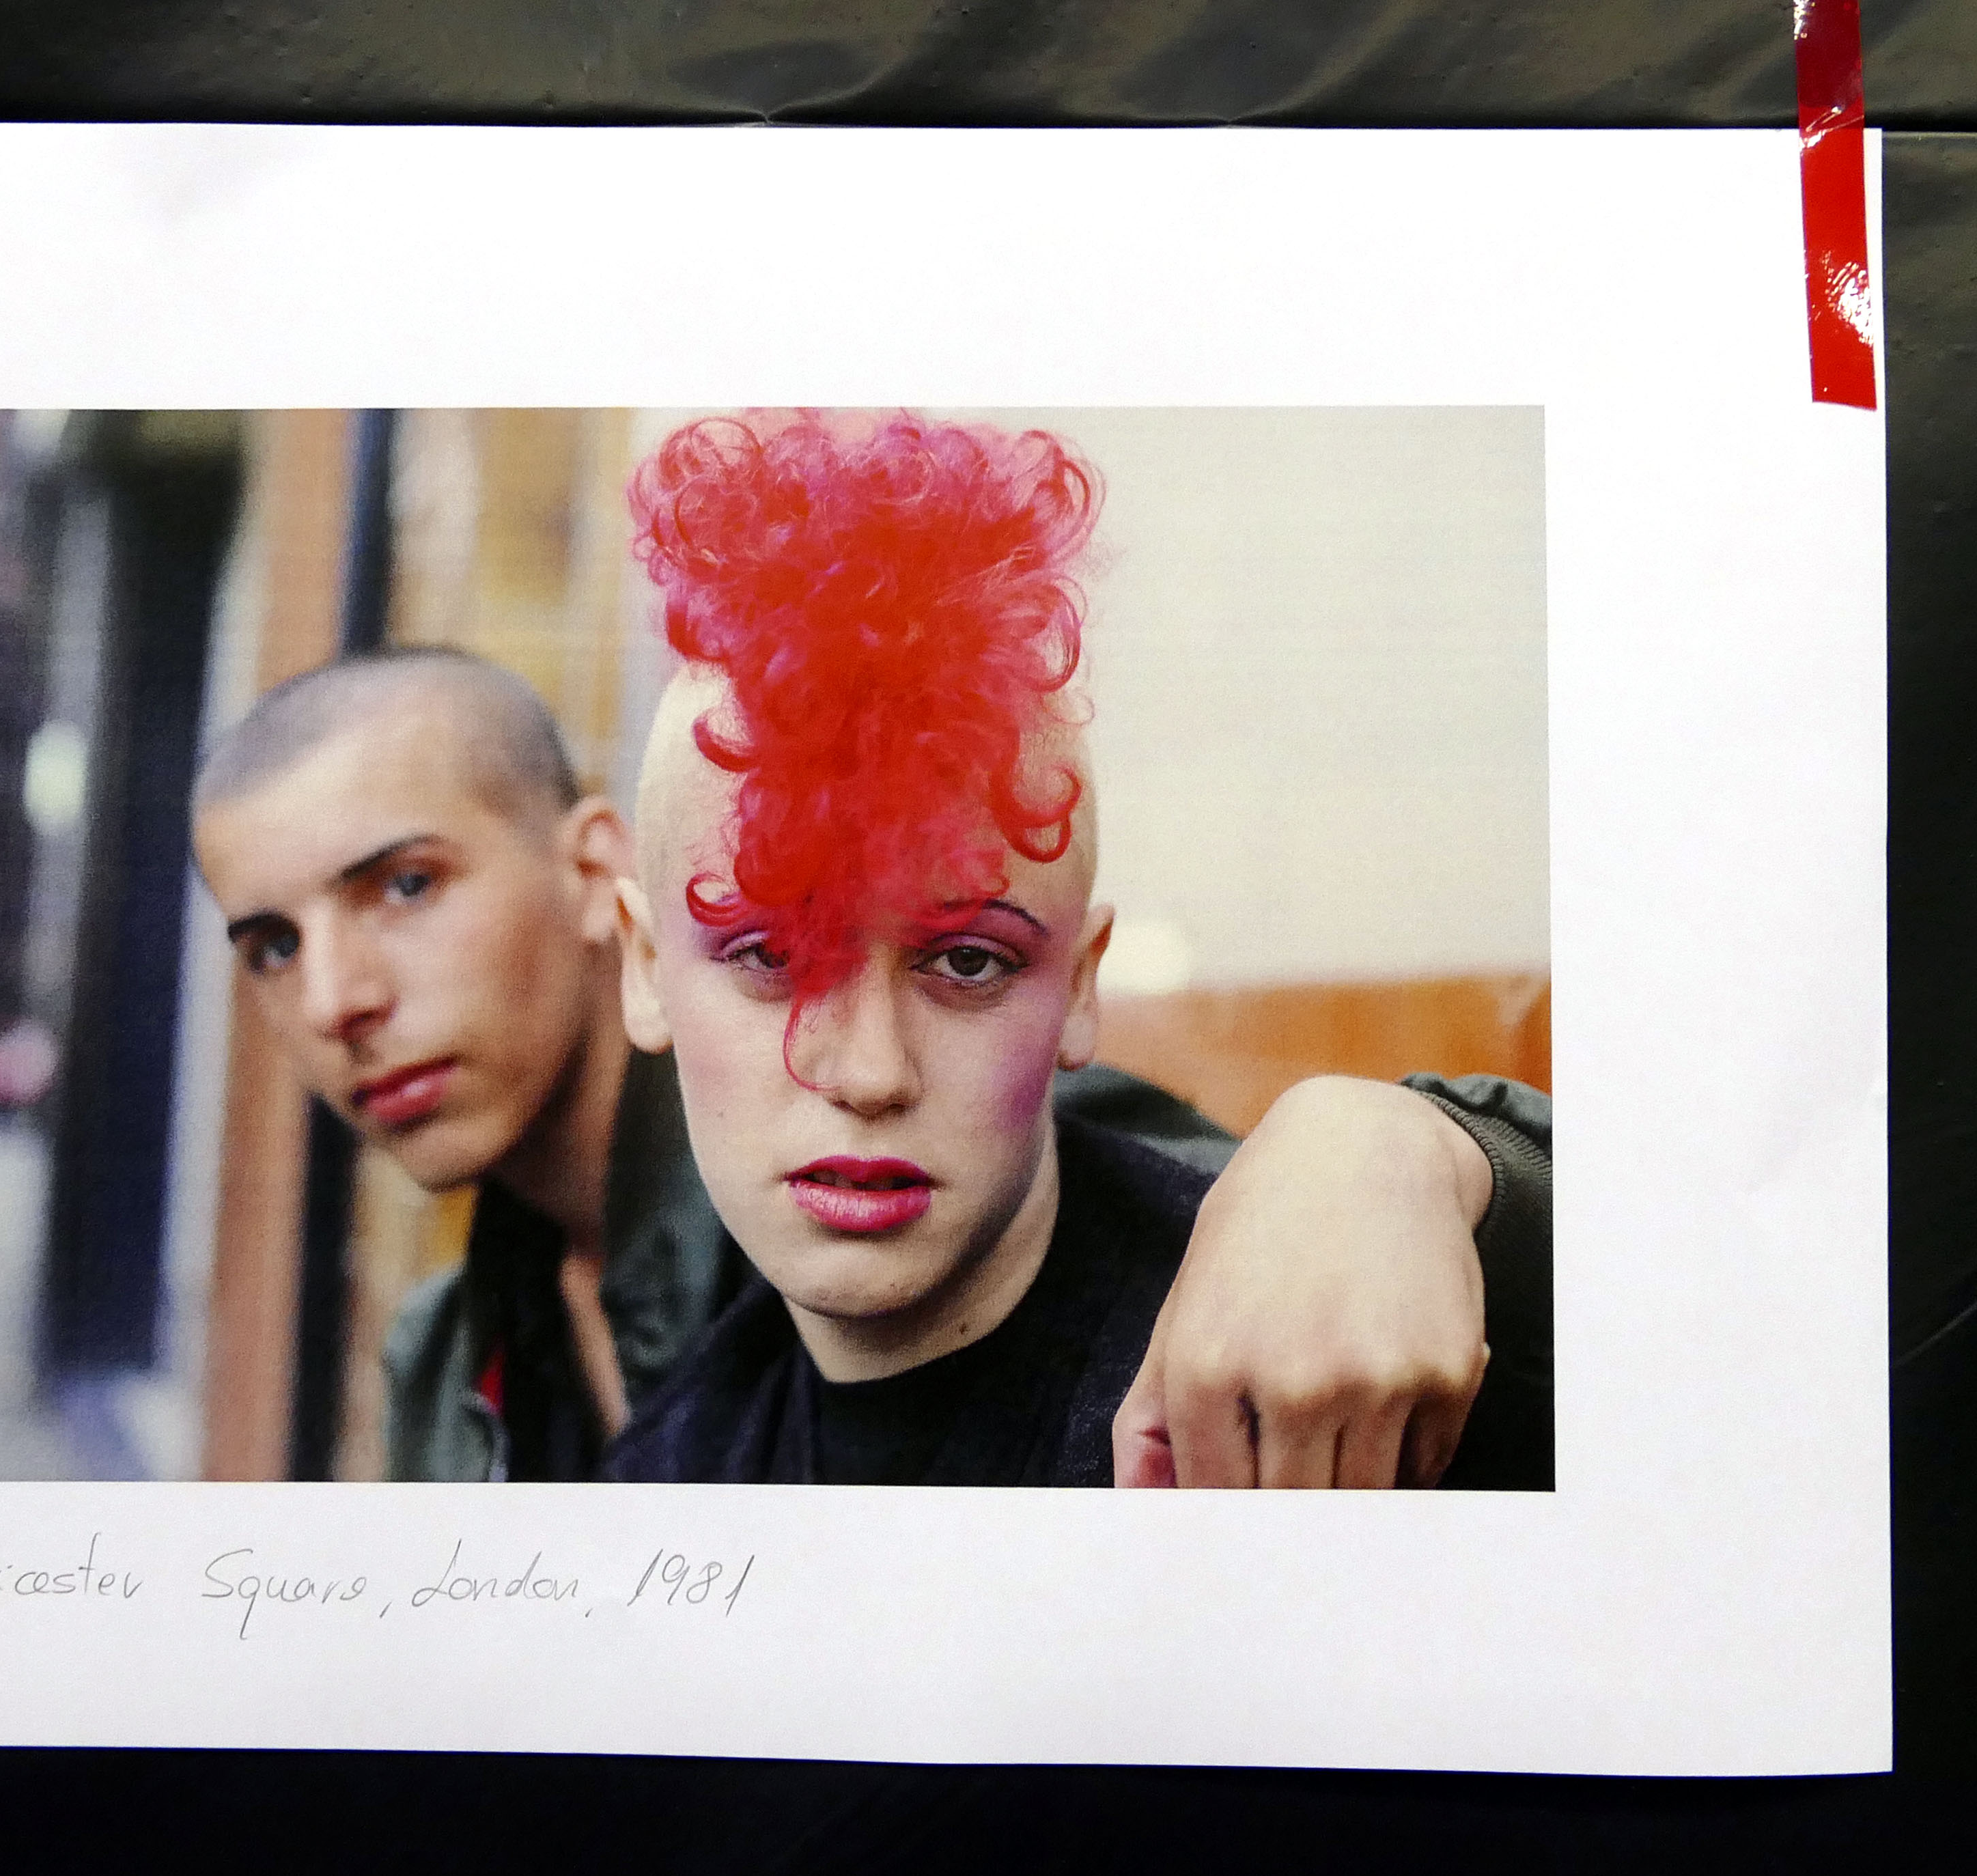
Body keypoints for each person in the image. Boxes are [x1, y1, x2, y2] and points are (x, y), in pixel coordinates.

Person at [191, 517, 1550, 1489]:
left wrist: (1395, 1148)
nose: (337, 997)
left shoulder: (1093, 1227)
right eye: (269, 944)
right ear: (648, 959)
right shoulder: (464, 1355)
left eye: (407, 884)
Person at [600, 409, 1541, 1485]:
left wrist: (1432, 1156)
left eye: (967, 961)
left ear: (1081, 985)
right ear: (645, 969)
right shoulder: (666, 1477)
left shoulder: (1293, 1366)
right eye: (771, 954)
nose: (870, 1073)